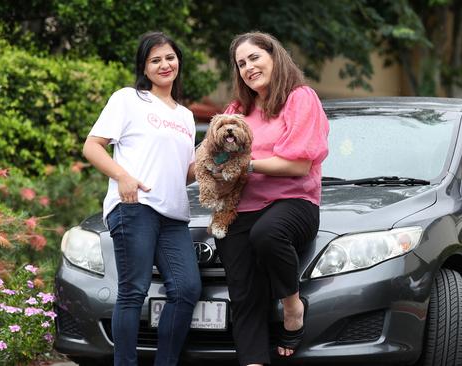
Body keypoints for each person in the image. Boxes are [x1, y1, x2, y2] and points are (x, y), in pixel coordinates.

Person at [82, 31, 201, 366]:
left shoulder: (186, 116)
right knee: (134, 290)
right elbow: (92, 146)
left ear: (178, 60)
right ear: (145, 68)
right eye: (155, 60)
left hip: (174, 216)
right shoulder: (128, 99)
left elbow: (185, 173)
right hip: (135, 208)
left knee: (186, 289)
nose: (165, 65)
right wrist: (122, 176)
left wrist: (213, 160)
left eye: (170, 57)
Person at [216, 31, 329, 366]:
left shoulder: (300, 98)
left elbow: (299, 164)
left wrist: (245, 165)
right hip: (241, 207)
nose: (248, 68)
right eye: (241, 64)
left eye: (254, 58)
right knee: (243, 292)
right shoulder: (237, 109)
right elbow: (216, 151)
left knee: (266, 233)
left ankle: (292, 306)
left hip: (293, 203)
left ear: (274, 56)